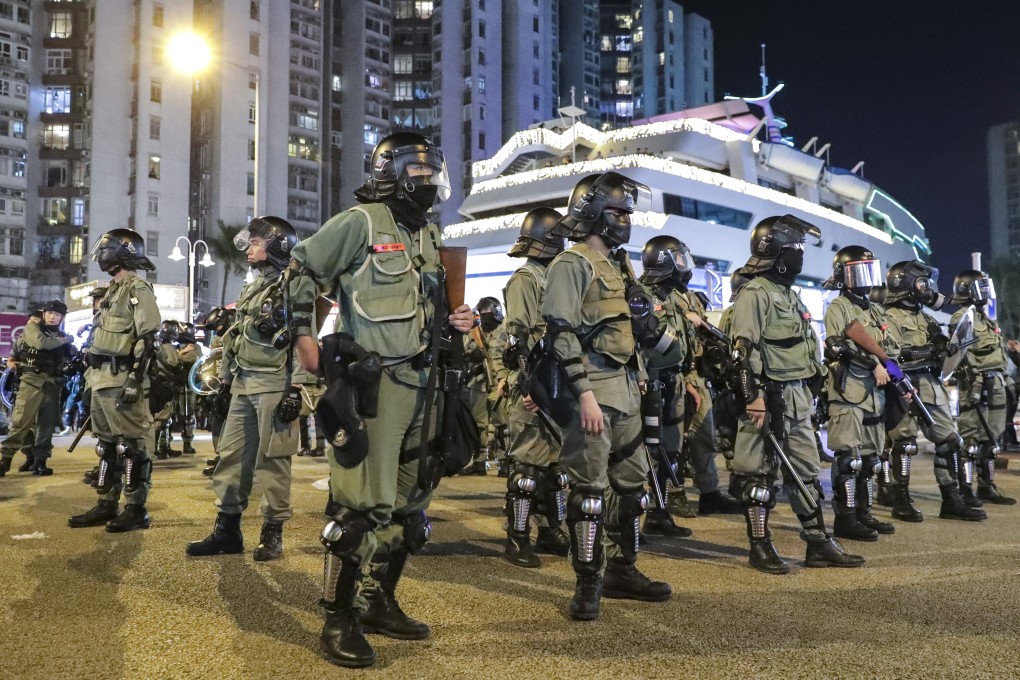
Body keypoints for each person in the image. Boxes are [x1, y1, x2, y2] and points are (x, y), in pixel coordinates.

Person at [290, 132, 475, 668]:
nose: (428, 180)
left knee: (411, 507)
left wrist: (459, 319)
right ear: (389, 171)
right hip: (377, 386)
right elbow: (302, 271)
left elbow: (431, 305)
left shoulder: (428, 235)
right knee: (357, 511)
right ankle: (337, 617)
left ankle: (377, 601)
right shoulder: (360, 222)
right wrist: (304, 336)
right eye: (418, 170)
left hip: (427, 385)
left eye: (432, 170)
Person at [541, 171, 671, 621]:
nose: (625, 220)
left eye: (627, 212)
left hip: (626, 392)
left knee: (633, 489)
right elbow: (561, 334)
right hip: (593, 391)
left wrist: (638, 375)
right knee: (589, 495)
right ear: (594, 213)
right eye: (618, 212)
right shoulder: (571, 264)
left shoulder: (620, 265)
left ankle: (622, 569)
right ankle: (587, 582)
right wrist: (585, 395)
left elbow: (627, 331)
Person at [729, 215, 864, 573]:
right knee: (759, 479)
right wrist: (751, 396)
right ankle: (760, 546)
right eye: (795, 248)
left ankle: (817, 543)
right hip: (767, 398)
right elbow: (741, 350)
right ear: (775, 250)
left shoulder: (787, 293)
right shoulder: (756, 293)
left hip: (797, 399)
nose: (801, 255)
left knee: (805, 473)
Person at [186, 216, 315, 561]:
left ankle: (272, 534)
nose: (249, 248)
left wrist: (298, 390)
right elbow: (235, 338)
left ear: (276, 247)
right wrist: (225, 384)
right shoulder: (253, 287)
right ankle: (227, 531)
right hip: (244, 383)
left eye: (256, 242)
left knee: (273, 462)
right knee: (231, 458)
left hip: (275, 383)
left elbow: (305, 338)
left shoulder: (294, 285)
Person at [68, 229, 161, 532]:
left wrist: (136, 377)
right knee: (106, 446)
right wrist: (87, 380)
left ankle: (136, 509)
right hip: (100, 379)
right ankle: (106, 502)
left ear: (123, 252)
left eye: (106, 249)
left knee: (132, 446)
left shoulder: (138, 288)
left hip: (122, 379)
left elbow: (147, 339)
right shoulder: (111, 290)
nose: (101, 254)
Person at [883, 261, 986, 522]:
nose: (926, 288)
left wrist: (943, 347)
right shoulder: (888, 316)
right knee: (904, 443)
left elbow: (940, 348)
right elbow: (888, 357)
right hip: (903, 386)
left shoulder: (924, 316)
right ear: (907, 284)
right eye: (921, 282)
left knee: (950, 441)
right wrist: (926, 352)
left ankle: (951, 499)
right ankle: (901, 499)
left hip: (930, 383)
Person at [499, 207, 572, 567]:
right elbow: (518, 337)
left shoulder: (554, 276)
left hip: (557, 386)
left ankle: (550, 530)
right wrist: (529, 385)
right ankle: (517, 539)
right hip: (533, 387)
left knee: (556, 468)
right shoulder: (526, 278)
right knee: (527, 469)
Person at [820, 246, 897, 542]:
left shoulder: (874, 310)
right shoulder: (839, 306)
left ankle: (864, 513)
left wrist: (900, 379)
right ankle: (846, 518)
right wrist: (874, 363)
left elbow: (891, 351)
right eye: (858, 271)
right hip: (849, 390)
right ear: (843, 275)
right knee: (849, 458)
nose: (866, 278)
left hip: (875, 393)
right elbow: (838, 345)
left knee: (870, 459)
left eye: (869, 270)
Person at [637, 235, 698, 538]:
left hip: (674, 382)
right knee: (645, 452)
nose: (686, 267)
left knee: (669, 452)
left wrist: (689, 381)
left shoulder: (673, 296)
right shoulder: (641, 296)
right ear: (665, 262)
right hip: (650, 384)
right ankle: (632, 522)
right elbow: (642, 343)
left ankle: (660, 514)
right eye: (681, 259)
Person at [674, 263, 742, 516]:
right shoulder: (660, 296)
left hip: (698, 374)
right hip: (677, 375)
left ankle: (709, 492)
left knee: (704, 438)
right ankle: (674, 493)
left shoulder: (692, 297)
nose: (684, 266)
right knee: (675, 440)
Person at [948, 270, 1015, 505]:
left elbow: (998, 351)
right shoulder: (962, 318)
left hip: (996, 381)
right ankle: (965, 489)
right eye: (981, 287)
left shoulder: (985, 318)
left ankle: (986, 487)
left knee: (991, 440)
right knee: (971, 440)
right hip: (976, 383)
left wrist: (1007, 380)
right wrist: (974, 379)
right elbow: (960, 354)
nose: (986, 292)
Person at [0, 301, 75, 477]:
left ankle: (41, 461)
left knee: (46, 426)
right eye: (49, 313)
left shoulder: (63, 337)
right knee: (20, 423)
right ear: (44, 314)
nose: (52, 316)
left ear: (62, 318)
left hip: (53, 385)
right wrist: (66, 340)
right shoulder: (33, 329)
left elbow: (67, 360)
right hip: (31, 382)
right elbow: (42, 344)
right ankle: (5, 459)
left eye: (56, 314)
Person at [459, 296, 504, 475]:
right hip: (478, 383)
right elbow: (463, 354)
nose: (485, 319)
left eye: (488, 315)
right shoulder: (473, 333)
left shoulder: (504, 331)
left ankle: (504, 461)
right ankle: (479, 461)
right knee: (479, 424)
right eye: (482, 315)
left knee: (502, 424)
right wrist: (472, 355)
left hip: (499, 382)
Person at [199, 307, 236, 476]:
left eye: (218, 328)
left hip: (239, 385)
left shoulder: (239, 334)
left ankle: (229, 459)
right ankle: (221, 455)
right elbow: (213, 361)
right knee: (217, 419)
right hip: (222, 383)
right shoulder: (218, 340)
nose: (217, 333)